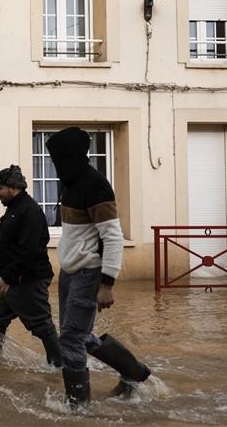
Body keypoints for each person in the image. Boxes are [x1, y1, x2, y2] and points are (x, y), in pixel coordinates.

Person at [45, 127, 151, 407]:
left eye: (58, 158)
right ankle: (133, 371)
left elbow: (113, 237)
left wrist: (107, 284)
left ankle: (77, 408)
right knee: (76, 335)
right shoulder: (69, 183)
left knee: (70, 340)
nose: (55, 164)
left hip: (89, 273)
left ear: (72, 155)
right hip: (70, 272)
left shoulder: (95, 185)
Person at [0, 165, 62, 368]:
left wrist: (9, 277)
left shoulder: (30, 211)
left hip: (28, 280)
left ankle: (61, 366)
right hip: (11, 280)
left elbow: (30, 251)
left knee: (42, 325)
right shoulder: (14, 209)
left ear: (13, 188)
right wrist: (7, 277)